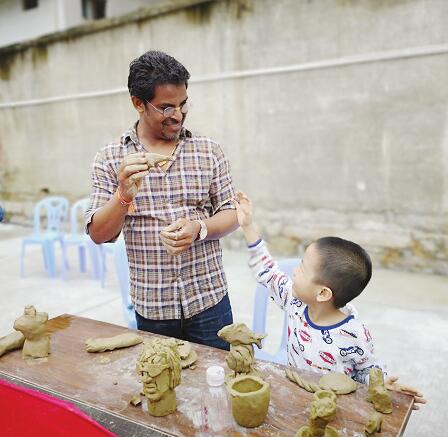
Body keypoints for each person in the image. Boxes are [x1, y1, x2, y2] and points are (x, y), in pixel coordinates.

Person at [85, 50, 238, 349]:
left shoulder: (208, 151)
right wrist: (123, 196)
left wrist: (199, 228)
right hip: (153, 309)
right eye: (167, 107)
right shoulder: (110, 158)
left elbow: (232, 212)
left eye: (183, 104)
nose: (178, 114)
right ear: (138, 103)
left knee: (218, 390)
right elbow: (99, 234)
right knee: (163, 389)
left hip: (210, 301)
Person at [232, 191, 426, 408]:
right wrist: (247, 226)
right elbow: (267, 269)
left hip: (335, 408)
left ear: (323, 293)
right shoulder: (295, 302)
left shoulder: (354, 334)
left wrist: (385, 387)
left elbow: (367, 372)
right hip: (295, 396)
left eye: (302, 268)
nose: (294, 272)